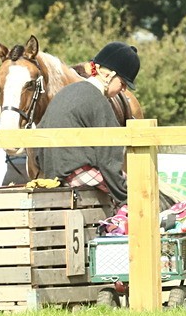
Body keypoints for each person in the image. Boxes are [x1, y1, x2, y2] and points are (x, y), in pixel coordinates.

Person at [33, 42, 138, 202]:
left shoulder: (65, 93)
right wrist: (124, 195)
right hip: (77, 173)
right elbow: (109, 159)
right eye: (122, 84)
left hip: (51, 173)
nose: (123, 90)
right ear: (109, 75)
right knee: (139, 191)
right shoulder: (99, 101)